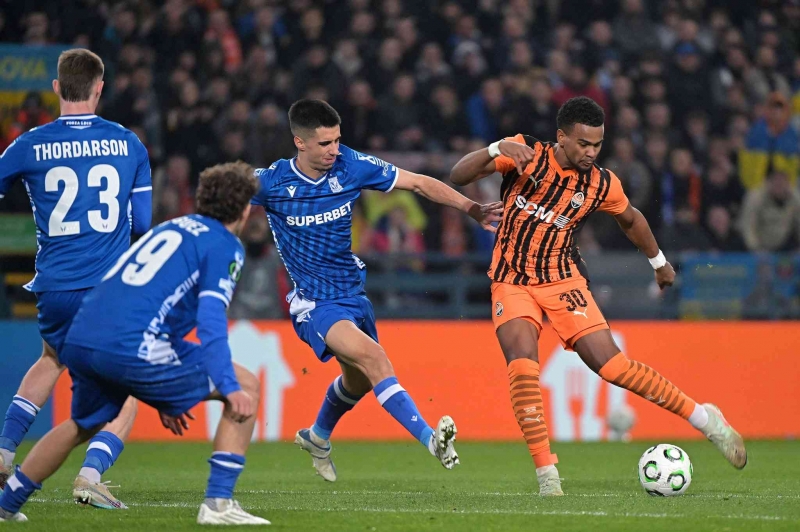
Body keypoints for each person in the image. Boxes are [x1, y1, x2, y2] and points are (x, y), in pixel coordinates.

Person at [450, 96, 747, 496]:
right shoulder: (526, 153)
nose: (591, 152)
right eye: (583, 144)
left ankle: (705, 420)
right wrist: (495, 148)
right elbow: (458, 174)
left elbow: (631, 219)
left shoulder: (602, 184)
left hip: (563, 280)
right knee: (522, 363)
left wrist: (658, 262)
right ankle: (547, 475)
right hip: (511, 280)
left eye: (597, 144)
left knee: (614, 368)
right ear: (561, 137)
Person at [0, 162, 270, 525]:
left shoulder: (171, 228)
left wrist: (163, 391)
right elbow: (210, 321)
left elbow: (153, 303)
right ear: (245, 208)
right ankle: (218, 504)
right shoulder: (224, 246)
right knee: (247, 385)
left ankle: (6, 504)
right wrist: (227, 385)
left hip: (83, 335)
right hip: (131, 344)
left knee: (81, 425)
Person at [251, 99, 503, 481]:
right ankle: (431, 440)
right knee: (375, 358)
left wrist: (471, 208)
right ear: (299, 142)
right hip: (314, 303)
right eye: (324, 143)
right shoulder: (271, 182)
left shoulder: (350, 165)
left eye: (337, 140)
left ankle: (317, 436)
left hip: (353, 296)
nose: (334, 150)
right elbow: (221, 197)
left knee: (357, 381)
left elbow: (419, 182)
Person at [0, 48, 152, 508]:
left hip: (54, 286)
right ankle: (90, 474)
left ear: (56, 88)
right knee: (127, 385)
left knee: (50, 359)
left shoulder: (28, 144)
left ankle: (4, 451)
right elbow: (143, 223)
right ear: (100, 88)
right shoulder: (128, 143)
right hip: (107, 289)